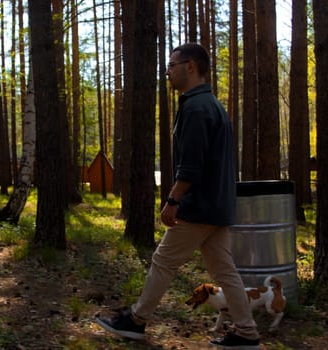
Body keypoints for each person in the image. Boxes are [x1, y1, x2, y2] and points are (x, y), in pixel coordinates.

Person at [95, 43, 260, 349]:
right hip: (218, 206)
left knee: (162, 261)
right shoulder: (212, 105)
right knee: (226, 271)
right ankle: (247, 333)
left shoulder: (196, 108)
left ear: (190, 67)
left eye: (171, 65)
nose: (167, 72)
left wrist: (173, 200)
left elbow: (191, 166)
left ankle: (136, 320)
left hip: (199, 206)